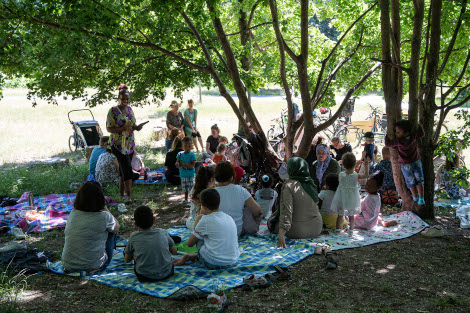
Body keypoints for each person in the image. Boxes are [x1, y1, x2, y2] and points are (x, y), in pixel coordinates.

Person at [173, 189, 240, 269]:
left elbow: (190, 243)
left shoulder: (205, 220)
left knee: (199, 237)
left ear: (202, 205)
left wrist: (198, 218)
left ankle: (198, 256)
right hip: (232, 261)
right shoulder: (228, 217)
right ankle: (193, 256)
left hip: (213, 263)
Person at [62, 181, 120, 272]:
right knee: (112, 231)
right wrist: (105, 207)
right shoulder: (105, 216)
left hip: (68, 264)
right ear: (100, 198)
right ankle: (108, 253)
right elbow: (117, 228)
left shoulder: (73, 213)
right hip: (94, 266)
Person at [268, 157, 323, 248]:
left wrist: (281, 235)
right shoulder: (311, 184)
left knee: (271, 222)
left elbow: (286, 210)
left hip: (297, 230)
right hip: (316, 228)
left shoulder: (289, 185)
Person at [106, 84, 146, 204]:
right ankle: (128, 196)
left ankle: (121, 192)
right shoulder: (113, 111)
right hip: (118, 145)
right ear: (118, 98)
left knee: (124, 169)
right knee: (127, 169)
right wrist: (123, 128)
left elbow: (132, 125)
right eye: (123, 99)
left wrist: (137, 127)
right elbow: (109, 129)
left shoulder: (129, 109)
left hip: (129, 144)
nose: (125, 101)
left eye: (127, 99)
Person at [124, 205, 177, 283]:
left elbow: (126, 260)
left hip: (144, 277)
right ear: (154, 219)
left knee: (128, 252)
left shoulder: (133, 238)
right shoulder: (163, 232)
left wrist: (133, 255)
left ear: (135, 224)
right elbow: (174, 252)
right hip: (167, 273)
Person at [213, 161, 262, 236]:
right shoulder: (240, 190)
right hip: (236, 232)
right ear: (232, 177)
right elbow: (258, 210)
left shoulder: (211, 192)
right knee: (247, 207)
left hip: (216, 233)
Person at [385, 120, 425, 205]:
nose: (396, 134)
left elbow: (388, 144)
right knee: (419, 181)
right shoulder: (413, 136)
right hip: (416, 162)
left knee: (411, 182)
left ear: (406, 132)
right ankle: (421, 198)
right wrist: (419, 125)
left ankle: (415, 197)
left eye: (398, 132)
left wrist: (386, 135)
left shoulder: (399, 141)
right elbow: (422, 134)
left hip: (406, 165)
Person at [330, 152, 370, 233]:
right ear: (354, 164)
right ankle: (351, 230)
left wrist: (340, 163)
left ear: (343, 165)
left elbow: (345, 168)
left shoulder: (341, 174)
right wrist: (366, 165)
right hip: (352, 198)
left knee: (340, 215)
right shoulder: (356, 175)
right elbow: (366, 175)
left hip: (342, 197)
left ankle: (338, 229)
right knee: (351, 215)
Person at [185, 166, 215, 231]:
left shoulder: (195, 189)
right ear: (211, 179)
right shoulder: (209, 192)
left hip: (197, 218)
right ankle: (185, 220)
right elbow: (201, 217)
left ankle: (187, 219)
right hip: (199, 220)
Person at [176, 137, 197, 203]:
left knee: (191, 189)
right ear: (182, 146)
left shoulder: (192, 155)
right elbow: (177, 162)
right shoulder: (179, 154)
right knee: (185, 189)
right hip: (183, 175)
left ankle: (192, 201)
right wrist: (177, 164)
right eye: (185, 146)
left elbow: (193, 165)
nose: (187, 147)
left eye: (189, 145)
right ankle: (185, 200)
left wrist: (184, 164)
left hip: (190, 175)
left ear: (191, 146)